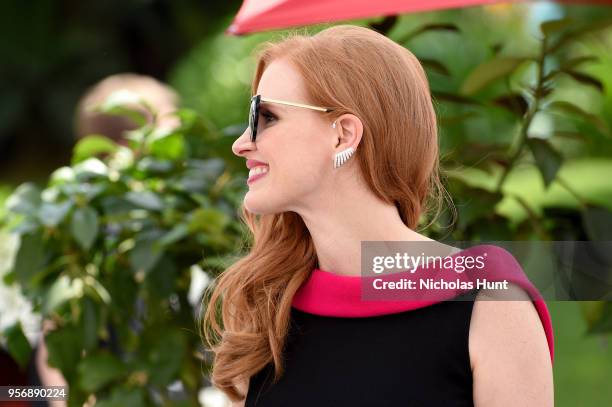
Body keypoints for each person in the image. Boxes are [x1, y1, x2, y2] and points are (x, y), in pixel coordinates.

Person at [202, 25, 554, 406]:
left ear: (343, 134)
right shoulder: (267, 307)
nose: (242, 143)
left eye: (266, 117)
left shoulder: (489, 301)